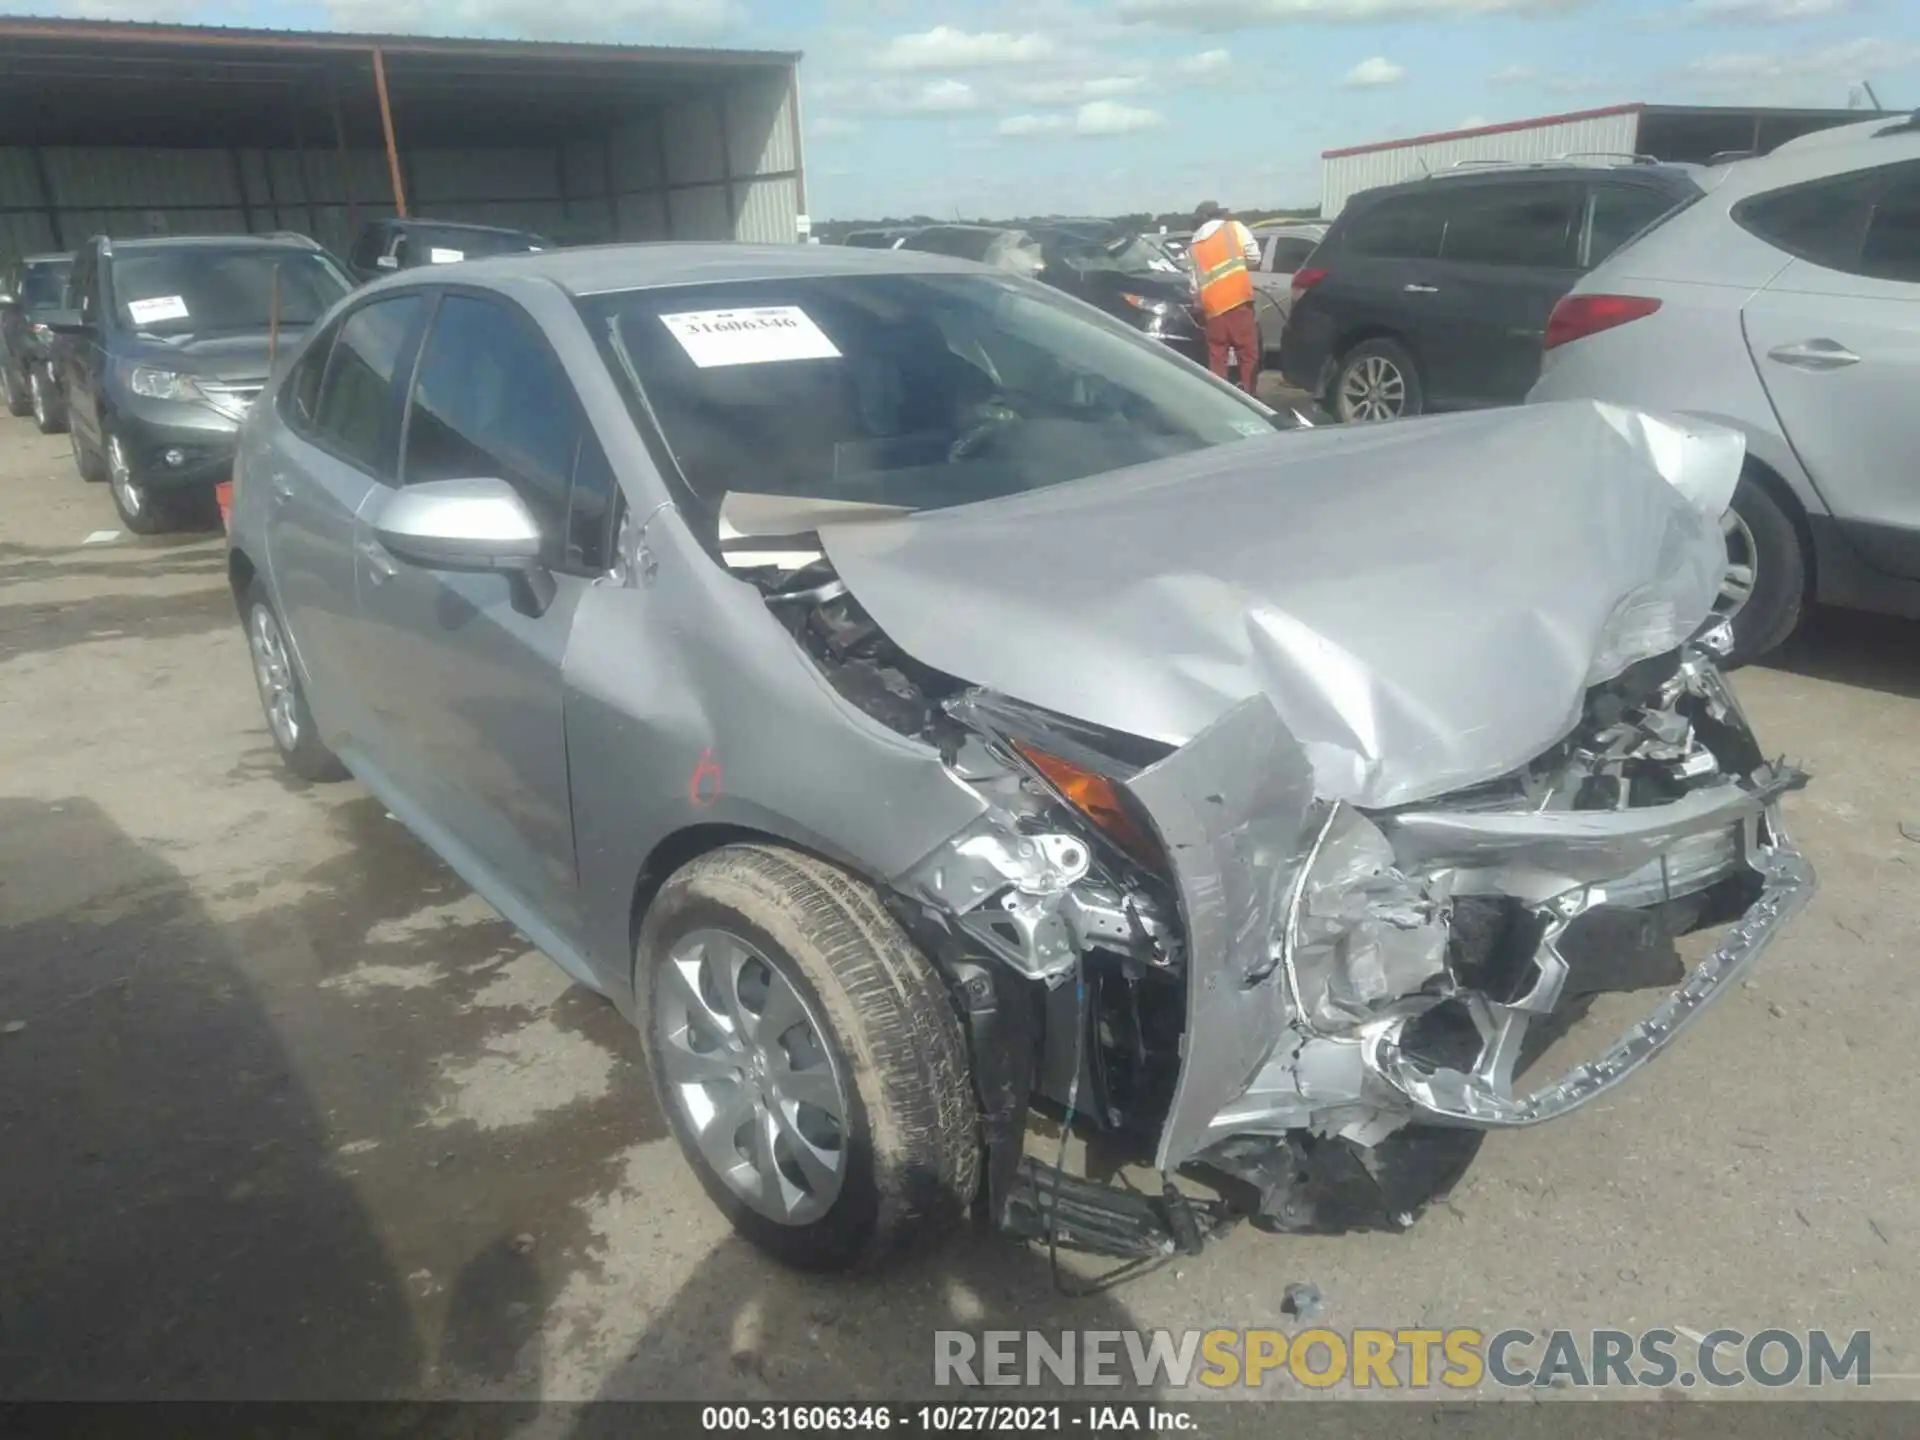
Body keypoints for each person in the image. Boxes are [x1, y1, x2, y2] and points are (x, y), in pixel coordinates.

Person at [1188, 201, 1262, 395]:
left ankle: (1220, 398)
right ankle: (1250, 395)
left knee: (1217, 357)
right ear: (1219, 215)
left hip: (1213, 309)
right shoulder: (1234, 228)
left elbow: (1194, 284)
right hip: (1238, 302)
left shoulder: (1194, 243)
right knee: (1247, 355)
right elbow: (1254, 257)